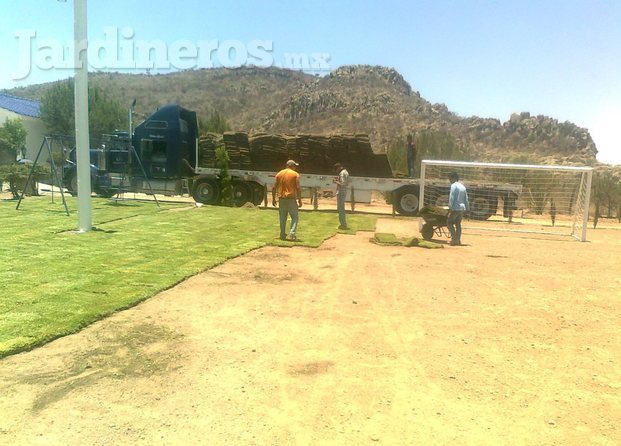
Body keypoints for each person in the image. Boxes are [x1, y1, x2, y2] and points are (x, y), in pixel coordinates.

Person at [272, 159, 303, 240]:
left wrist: (273, 199)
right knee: (295, 217)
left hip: (281, 199)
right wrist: (299, 200)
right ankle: (292, 234)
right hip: (291, 198)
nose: (295, 168)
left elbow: (274, 187)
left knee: (282, 217)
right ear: (292, 166)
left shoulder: (279, 173)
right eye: (295, 166)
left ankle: (282, 234)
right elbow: (298, 188)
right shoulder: (295, 174)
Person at [447, 172, 469, 246]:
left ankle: (454, 239)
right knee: (458, 224)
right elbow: (466, 199)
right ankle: (458, 239)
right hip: (462, 208)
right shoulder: (463, 187)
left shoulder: (453, 186)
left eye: (450, 179)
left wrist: (450, 207)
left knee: (449, 223)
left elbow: (452, 197)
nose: (449, 180)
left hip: (455, 208)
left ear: (453, 178)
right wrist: (467, 208)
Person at [333, 162, 349, 229]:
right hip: (343, 192)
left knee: (340, 208)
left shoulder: (342, 173)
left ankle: (343, 224)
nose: (336, 171)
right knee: (341, 208)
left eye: (336, 169)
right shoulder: (346, 172)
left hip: (341, 192)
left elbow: (343, 184)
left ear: (339, 167)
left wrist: (335, 181)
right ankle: (343, 224)